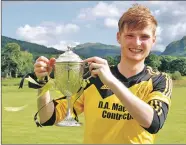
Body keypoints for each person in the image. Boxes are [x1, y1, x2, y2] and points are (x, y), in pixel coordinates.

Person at [33, 3, 172, 144]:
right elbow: (47, 117)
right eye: (130, 35)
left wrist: (111, 81)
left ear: (153, 41)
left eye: (144, 37)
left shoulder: (159, 80)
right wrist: (42, 81)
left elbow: (154, 122)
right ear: (119, 37)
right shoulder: (93, 78)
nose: (137, 43)